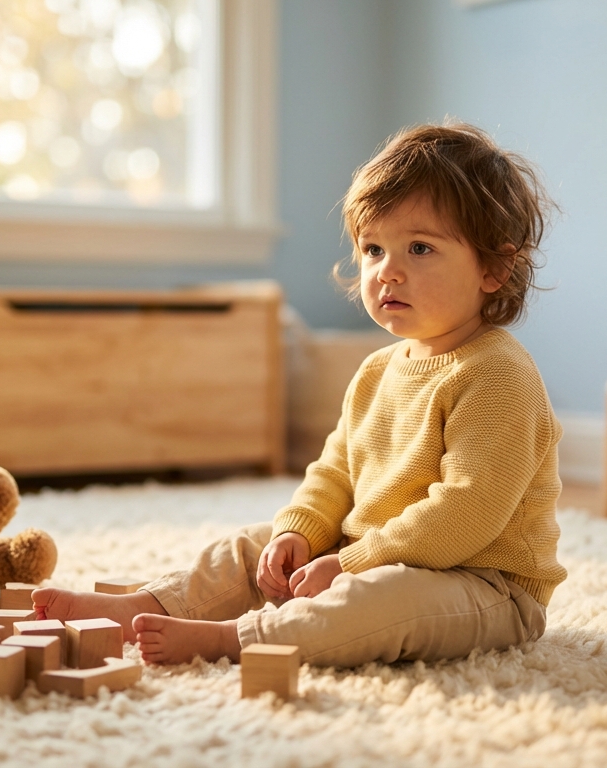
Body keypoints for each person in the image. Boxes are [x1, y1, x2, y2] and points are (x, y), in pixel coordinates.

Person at [33, 122, 566, 668]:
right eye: (374, 249)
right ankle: (147, 603)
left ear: (495, 269)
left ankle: (237, 640)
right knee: (252, 547)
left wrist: (352, 564)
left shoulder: (499, 375)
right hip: (376, 551)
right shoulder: (378, 369)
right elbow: (336, 473)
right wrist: (301, 532)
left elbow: (465, 513)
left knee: (381, 602)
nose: (388, 272)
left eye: (420, 248)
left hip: (482, 584)